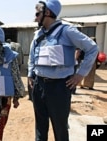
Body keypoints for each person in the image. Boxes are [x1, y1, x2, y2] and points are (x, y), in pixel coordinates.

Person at [28, 1, 99, 141]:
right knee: (40, 127)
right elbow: (32, 55)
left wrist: (80, 74)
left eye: (37, 14)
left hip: (59, 87)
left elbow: (92, 48)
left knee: (60, 128)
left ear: (47, 13)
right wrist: (31, 74)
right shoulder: (38, 34)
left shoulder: (67, 31)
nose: (35, 17)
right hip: (39, 85)